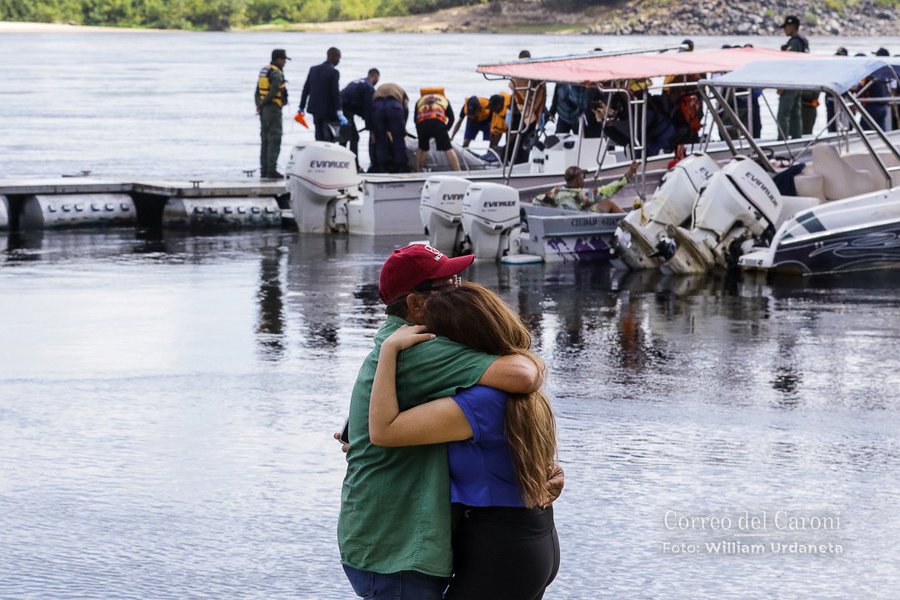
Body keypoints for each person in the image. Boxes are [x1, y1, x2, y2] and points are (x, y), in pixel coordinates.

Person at [338, 244, 564, 600]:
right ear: (415, 304)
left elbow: (522, 373)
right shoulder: (426, 351)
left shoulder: (412, 353)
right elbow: (523, 375)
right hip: (503, 539)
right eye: (449, 285)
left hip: (479, 546)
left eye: (459, 281)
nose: (459, 289)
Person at [534, 162, 639, 213]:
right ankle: (629, 221)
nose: (583, 179)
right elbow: (609, 189)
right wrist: (629, 173)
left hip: (566, 218)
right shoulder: (585, 193)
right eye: (582, 177)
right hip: (581, 221)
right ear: (578, 179)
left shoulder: (555, 191)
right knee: (607, 203)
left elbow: (536, 201)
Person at [298, 47, 348, 143]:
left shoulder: (313, 69)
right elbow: (335, 93)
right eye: (338, 58)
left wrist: (301, 107)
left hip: (315, 109)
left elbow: (306, 89)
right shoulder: (334, 72)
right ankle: (329, 156)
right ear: (333, 57)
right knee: (330, 136)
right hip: (328, 111)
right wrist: (339, 111)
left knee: (318, 134)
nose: (339, 61)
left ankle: (318, 154)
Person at [255, 48, 289, 179]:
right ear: (279, 59)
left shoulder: (264, 70)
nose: (285, 62)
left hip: (264, 110)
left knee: (265, 139)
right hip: (273, 109)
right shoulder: (276, 73)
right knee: (275, 139)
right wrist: (263, 103)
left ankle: (264, 170)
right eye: (284, 59)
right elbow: (274, 90)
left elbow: (257, 91)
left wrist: (259, 104)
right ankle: (271, 170)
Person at [339, 68, 380, 171]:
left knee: (344, 138)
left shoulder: (359, 81)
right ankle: (353, 167)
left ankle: (342, 164)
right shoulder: (369, 87)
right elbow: (367, 108)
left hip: (339, 108)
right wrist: (370, 126)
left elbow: (354, 101)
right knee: (354, 138)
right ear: (375, 76)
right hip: (345, 110)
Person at [776, 15, 809, 140]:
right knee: (796, 114)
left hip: (790, 82)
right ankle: (796, 138)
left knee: (783, 114)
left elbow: (789, 64)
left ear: (792, 26)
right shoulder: (803, 41)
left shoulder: (794, 42)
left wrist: (782, 83)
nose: (784, 30)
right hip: (799, 82)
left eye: (786, 27)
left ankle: (782, 140)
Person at [414, 86, 460, 172]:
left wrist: (420, 132)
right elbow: (452, 118)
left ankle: (418, 170)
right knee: (448, 148)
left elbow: (415, 119)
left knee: (422, 148)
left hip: (422, 123)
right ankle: (458, 170)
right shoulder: (443, 99)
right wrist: (446, 129)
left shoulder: (420, 100)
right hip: (437, 122)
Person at [369, 82, 409, 173]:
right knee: (398, 138)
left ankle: (382, 168)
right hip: (394, 107)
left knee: (380, 140)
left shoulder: (378, 90)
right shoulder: (401, 91)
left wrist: (373, 130)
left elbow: (370, 107)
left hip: (377, 108)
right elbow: (406, 108)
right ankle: (402, 168)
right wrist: (403, 127)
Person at [826, 47, 849, 133]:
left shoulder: (848, 70)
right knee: (832, 125)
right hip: (831, 101)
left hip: (843, 101)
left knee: (845, 124)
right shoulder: (832, 69)